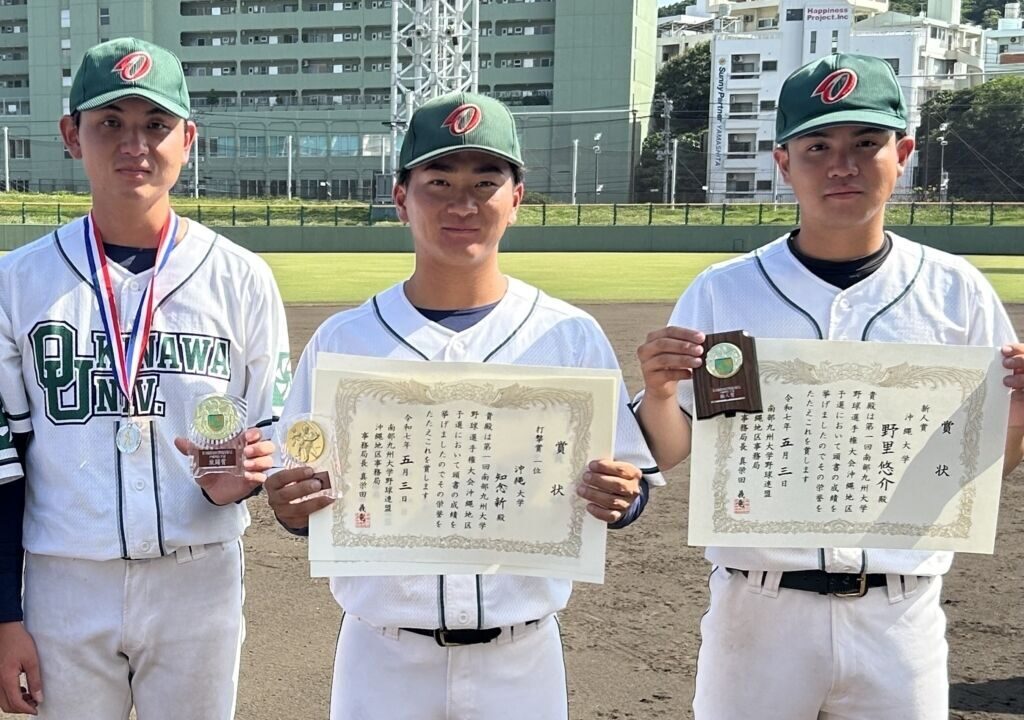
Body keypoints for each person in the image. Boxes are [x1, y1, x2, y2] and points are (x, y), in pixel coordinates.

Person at [635, 53, 1024, 719]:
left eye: (866, 143)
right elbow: (669, 450)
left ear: (903, 155)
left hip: (900, 613)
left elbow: (978, 469)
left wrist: (1017, 420)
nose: (842, 165)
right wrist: (663, 394)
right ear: (784, 163)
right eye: (817, 146)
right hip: (758, 610)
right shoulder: (725, 290)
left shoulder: (955, 291)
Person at [265, 91, 662, 720]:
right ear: (401, 198)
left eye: (485, 182)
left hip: (522, 658)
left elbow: (631, 482)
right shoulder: (344, 339)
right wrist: (292, 506)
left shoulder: (568, 335)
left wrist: (622, 496)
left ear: (517, 198)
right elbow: (297, 487)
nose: (462, 203)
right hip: (382, 656)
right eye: (439, 181)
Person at [0, 38, 290, 719]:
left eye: (156, 124)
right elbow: (3, 461)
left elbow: (272, 433)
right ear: (72, 135)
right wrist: (3, 613)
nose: (135, 144)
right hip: (65, 579)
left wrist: (245, 478)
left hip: (198, 578)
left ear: (187, 139)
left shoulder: (241, 279)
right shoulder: (16, 282)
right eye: (111, 122)